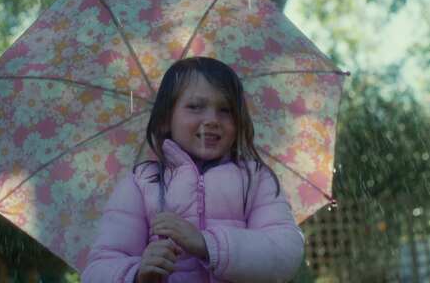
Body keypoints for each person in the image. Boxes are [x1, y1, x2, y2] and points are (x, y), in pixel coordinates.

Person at [82, 57, 304, 283]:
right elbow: (97, 270)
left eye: (225, 109)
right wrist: (138, 274)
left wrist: (207, 244)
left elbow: (285, 251)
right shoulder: (141, 183)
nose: (212, 119)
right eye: (195, 107)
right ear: (165, 120)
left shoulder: (255, 179)